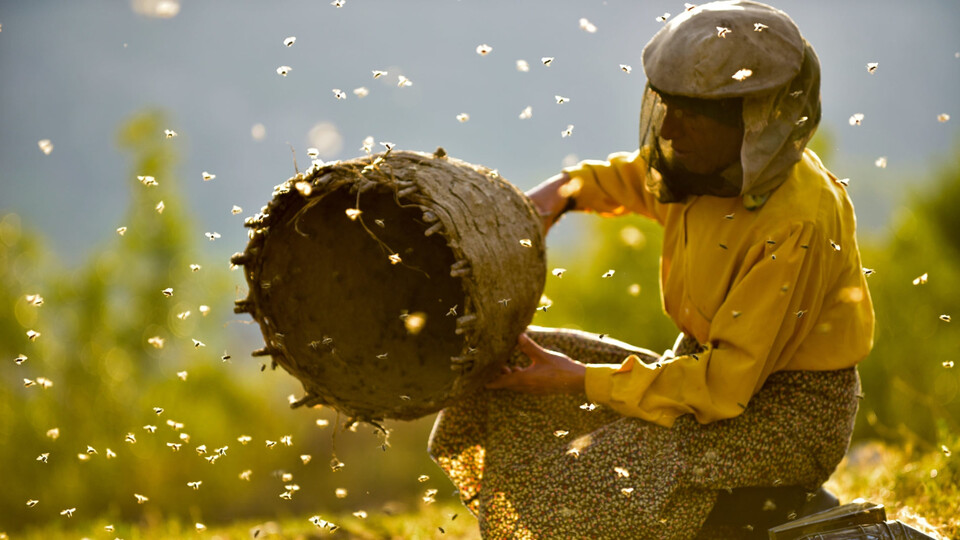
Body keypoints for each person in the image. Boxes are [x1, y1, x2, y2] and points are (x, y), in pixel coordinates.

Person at [429, 1, 875, 538]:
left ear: (753, 119)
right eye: (668, 107)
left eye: (692, 116)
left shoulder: (796, 221)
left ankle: (782, 516)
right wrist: (552, 200)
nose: (670, 130)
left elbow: (723, 387)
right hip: (702, 379)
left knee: (582, 481)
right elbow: (627, 179)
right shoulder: (705, 165)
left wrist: (577, 380)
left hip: (783, 418)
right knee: (500, 373)